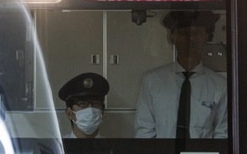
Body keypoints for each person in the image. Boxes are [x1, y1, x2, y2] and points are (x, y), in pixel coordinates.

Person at [134, 9, 228, 140]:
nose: (191, 39)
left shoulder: (219, 85)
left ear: (207, 37)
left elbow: (222, 134)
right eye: (184, 34)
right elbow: (145, 131)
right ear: (172, 37)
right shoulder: (152, 81)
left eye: (197, 33)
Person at [57, 72, 111, 138]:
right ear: (69, 114)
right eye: (82, 104)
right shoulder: (58, 147)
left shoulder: (114, 147)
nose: (90, 109)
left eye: (96, 104)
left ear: (102, 111)